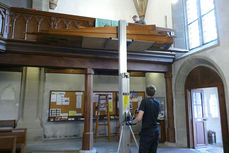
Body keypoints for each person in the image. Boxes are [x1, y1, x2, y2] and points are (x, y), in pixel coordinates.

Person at [132, 85, 161, 153]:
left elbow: (139, 118)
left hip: (147, 131)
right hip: (156, 131)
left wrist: (132, 122)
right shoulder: (158, 102)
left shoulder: (144, 101)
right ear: (154, 93)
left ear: (146, 93)